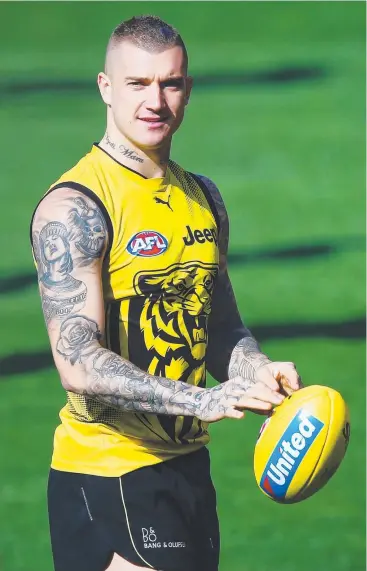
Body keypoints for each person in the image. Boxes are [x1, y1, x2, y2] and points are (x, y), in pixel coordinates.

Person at [30, 15, 302, 571]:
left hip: (188, 471)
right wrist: (205, 401)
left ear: (188, 89)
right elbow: (78, 363)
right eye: (137, 84)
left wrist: (254, 370)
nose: (155, 100)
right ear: (106, 88)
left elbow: (221, 325)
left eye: (170, 83)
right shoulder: (76, 207)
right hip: (108, 472)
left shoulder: (203, 197)